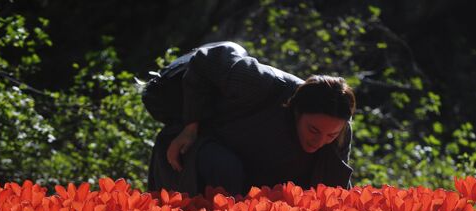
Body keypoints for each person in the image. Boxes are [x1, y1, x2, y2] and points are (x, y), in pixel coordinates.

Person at [146, 41, 355, 196]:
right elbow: (206, 59)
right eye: (313, 130)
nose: (319, 142)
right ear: (297, 110)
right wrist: (190, 127)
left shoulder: (340, 132)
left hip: (253, 183)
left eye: (331, 135)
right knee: (226, 167)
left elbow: (335, 189)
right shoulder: (261, 83)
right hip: (196, 149)